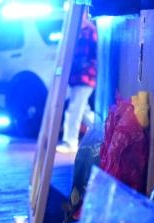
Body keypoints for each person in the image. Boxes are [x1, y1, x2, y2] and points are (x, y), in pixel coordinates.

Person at [58, 8, 97, 154]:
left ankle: (70, 142)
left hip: (85, 76)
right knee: (83, 110)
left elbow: (95, 54)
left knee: (74, 109)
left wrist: (87, 65)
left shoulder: (88, 31)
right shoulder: (77, 32)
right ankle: (102, 131)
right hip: (79, 77)